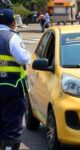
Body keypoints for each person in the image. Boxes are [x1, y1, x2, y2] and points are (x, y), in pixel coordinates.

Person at [0, 8, 31, 150]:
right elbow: (24, 59)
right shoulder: (11, 37)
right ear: (13, 22)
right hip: (12, 88)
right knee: (11, 129)